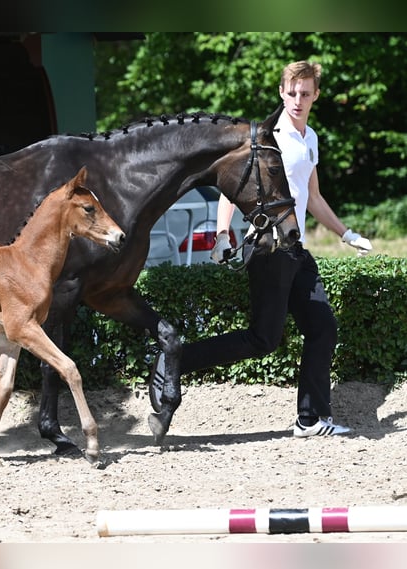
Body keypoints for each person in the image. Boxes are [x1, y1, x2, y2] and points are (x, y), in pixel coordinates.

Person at [152, 60, 372, 437]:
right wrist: (223, 234)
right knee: (262, 340)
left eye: (305, 93)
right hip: (269, 250)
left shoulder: (310, 138)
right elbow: (232, 190)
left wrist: (345, 233)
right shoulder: (268, 138)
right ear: (281, 92)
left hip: (297, 250)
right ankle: (175, 360)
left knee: (323, 327)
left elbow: (314, 197)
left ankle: (311, 419)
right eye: (291, 92)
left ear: (316, 95)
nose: (297, 100)